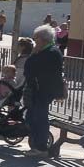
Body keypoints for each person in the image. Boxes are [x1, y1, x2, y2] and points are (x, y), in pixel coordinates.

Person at [22, 24, 65, 157]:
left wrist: (33, 54)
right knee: (31, 117)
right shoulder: (42, 51)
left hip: (44, 91)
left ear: (43, 39)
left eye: (36, 39)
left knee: (39, 118)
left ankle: (41, 148)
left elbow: (32, 66)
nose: (34, 41)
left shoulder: (51, 52)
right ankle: (36, 145)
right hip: (36, 90)